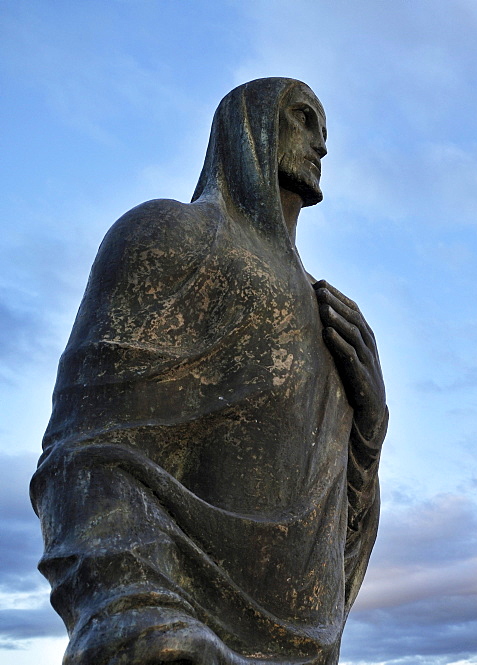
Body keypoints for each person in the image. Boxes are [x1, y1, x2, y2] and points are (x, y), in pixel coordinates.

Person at [30, 78, 387, 665]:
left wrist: (370, 428)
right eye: (303, 118)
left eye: (325, 128)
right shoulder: (171, 237)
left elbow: (338, 530)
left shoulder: (331, 322)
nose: (321, 143)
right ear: (250, 126)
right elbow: (86, 452)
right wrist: (135, 613)